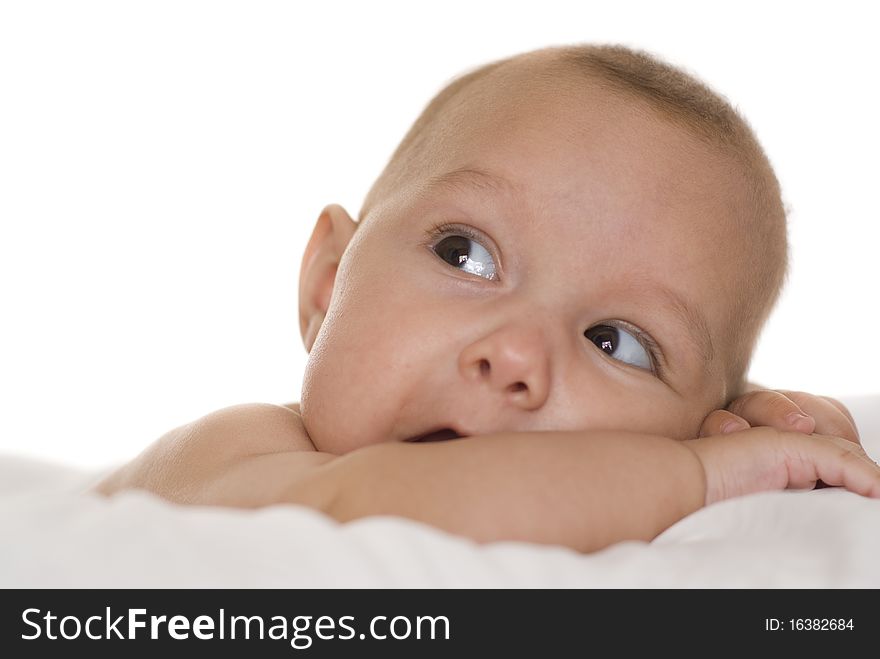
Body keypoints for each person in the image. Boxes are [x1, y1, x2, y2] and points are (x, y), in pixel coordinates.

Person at [96, 44, 876, 554]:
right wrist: (700, 475)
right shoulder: (232, 454)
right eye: (464, 254)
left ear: (704, 418)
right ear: (328, 282)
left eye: (618, 342)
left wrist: (765, 439)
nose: (516, 356)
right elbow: (382, 511)